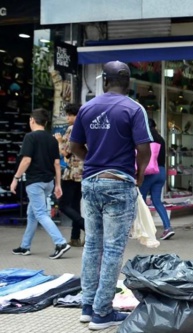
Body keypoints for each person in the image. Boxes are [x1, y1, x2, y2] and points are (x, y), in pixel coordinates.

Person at [69, 61, 152, 330]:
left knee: (93, 245)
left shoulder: (87, 107)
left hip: (91, 183)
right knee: (113, 249)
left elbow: (74, 146)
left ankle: (87, 306)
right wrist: (139, 174)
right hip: (119, 183)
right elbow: (144, 149)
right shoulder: (133, 108)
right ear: (128, 82)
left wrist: (93, 159)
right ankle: (101, 313)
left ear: (105, 80)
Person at [10, 108, 71, 259]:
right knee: (32, 214)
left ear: (32, 120)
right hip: (48, 182)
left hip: (35, 182)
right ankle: (25, 246)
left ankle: (60, 243)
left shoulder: (30, 137)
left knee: (41, 214)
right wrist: (58, 185)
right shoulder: (52, 139)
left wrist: (15, 178)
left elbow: (26, 160)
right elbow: (57, 164)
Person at [56, 103, 86, 247]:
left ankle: (87, 227)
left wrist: (59, 142)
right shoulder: (87, 127)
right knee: (75, 204)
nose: (67, 118)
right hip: (84, 171)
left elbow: (66, 152)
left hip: (72, 172)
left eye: (70, 115)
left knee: (63, 204)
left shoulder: (72, 129)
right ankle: (75, 237)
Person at [140, 118, 174, 240]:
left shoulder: (146, 138)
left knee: (141, 201)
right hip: (161, 172)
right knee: (157, 201)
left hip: (150, 172)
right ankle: (167, 228)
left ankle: (145, 229)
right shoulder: (161, 138)